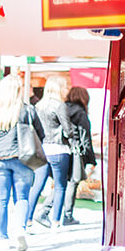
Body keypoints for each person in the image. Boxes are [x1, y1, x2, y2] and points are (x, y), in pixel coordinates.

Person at [0, 74, 44, 251]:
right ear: (18, 91)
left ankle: (2, 238)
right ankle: (20, 230)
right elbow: (41, 134)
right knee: (21, 198)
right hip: (23, 159)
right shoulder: (27, 110)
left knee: (0, 199)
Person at [29, 79, 74, 230]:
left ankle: (28, 219)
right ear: (58, 89)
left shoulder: (38, 106)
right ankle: (55, 221)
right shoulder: (60, 106)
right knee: (60, 186)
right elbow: (68, 130)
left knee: (38, 185)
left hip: (42, 149)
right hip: (58, 149)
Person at [61, 86, 96, 226]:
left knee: (60, 183)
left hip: (61, 148)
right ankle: (67, 215)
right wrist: (91, 159)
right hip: (75, 151)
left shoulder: (63, 109)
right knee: (72, 182)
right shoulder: (80, 113)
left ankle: (48, 212)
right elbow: (85, 136)